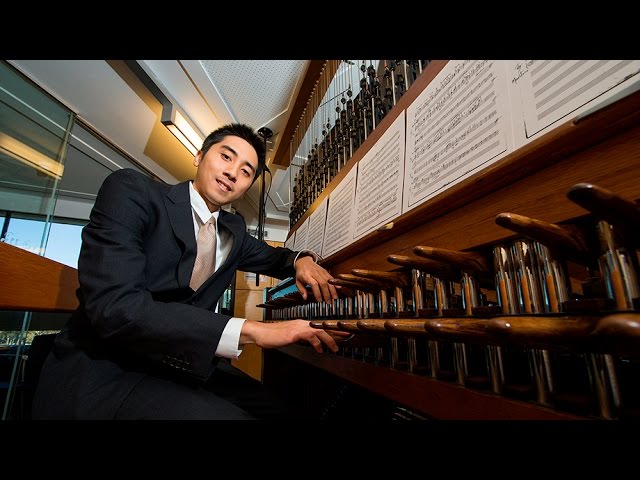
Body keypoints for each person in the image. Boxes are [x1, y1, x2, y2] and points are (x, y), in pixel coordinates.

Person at [32, 123, 349, 420]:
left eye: (246, 171)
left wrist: (302, 260)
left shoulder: (233, 231)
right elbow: (115, 308)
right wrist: (255, 330)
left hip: (178, 364)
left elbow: (278, 259)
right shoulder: (133, 191)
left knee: (281, 411)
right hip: (108, 369)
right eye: (226, 156)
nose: (232, 173)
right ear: (199, 156)